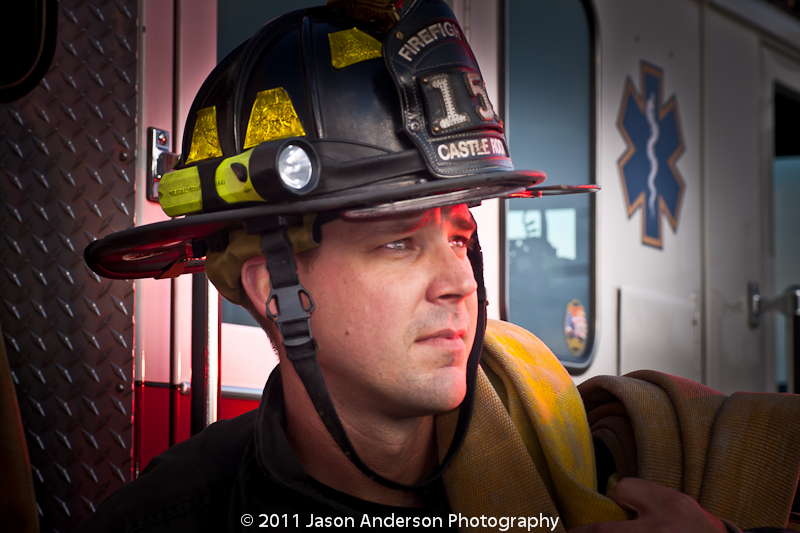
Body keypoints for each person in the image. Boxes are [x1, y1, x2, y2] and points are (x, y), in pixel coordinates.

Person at [80, 1, 800, 531]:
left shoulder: (605, 469)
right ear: (275, 290)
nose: (459, 284)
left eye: (460, 238)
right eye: (397, 241)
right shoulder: (168, 517)